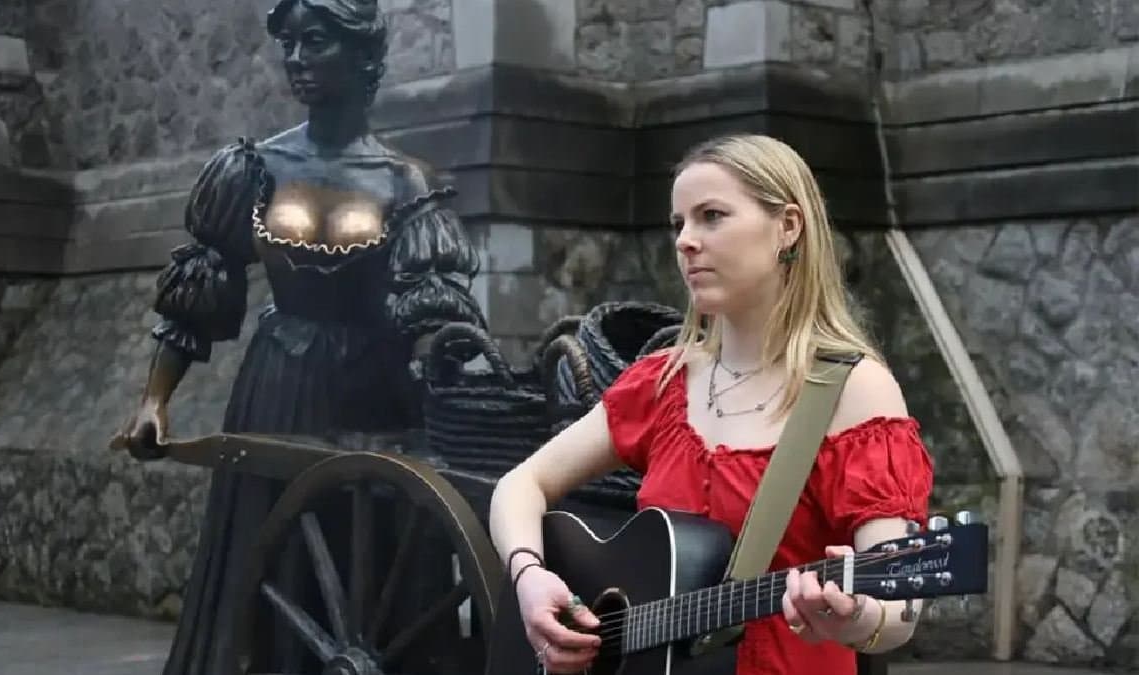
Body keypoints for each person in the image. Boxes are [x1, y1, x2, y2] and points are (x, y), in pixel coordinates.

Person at [110, 1, 485, 673]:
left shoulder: (404, 182)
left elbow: (435, 316)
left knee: (370, 566)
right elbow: (200, 291)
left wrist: (455, 386)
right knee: (272, 555)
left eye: (316, 42)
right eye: (289, 43)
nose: (296, 59)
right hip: (279, 391)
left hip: (377, 401)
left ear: (363, 54)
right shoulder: (255, 168)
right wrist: (154, 400)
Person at [488, 133, 934, 675]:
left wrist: (857, 617)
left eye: (711, 216)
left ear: (788, 227)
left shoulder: (854, 390)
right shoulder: (663, 382)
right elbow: (521, 485)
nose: (685, 241)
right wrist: (529, 576)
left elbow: (897, 604)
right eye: (679, 223)